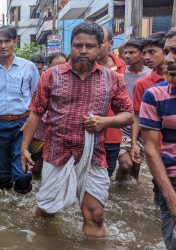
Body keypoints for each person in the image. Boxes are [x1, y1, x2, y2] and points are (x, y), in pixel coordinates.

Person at [21, 22, 133, 236]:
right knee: (46, 212)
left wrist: (105, 122)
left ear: (101, 47)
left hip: (93, 155)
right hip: (56, 153)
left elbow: (128, 114)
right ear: (70, 45)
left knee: (95, 214)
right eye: (77, 45)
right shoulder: (50, 76)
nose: (83, 50)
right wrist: (24, 148)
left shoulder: (113, 79)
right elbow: (35, 112)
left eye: (89, 46)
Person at [0, 25, 40, 193]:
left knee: (21, 174)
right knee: (3, 176)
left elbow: (38, 100)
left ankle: (23, 210)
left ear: (15, 42)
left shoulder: (29, 68)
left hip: (23, 125)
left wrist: (32, 124)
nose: (3, 46)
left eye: (7, 41)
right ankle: (8, 213)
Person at [139, 28, 176, 250]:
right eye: (168, 51)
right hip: (171, 178)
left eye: (175, 52)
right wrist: (170, 195)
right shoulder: (154, 95)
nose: (169, 59)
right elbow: (151, 149)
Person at [131, 32, 167, 204]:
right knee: (160, 194)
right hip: (158, 149)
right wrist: (134, 145)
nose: (146, 57)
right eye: (144, 53)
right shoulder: (143, 84)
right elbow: (137, 116)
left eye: (151, 52)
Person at [115, 39, 151, 181]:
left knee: (136, 165)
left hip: (144, 127)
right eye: (125, 53)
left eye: (132, 52)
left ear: (142, 54)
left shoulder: (150, 75)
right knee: (125, 164)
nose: (127, 56)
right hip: (122, 126)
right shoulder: (119, 75)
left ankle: (131, 192)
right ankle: (119, 190)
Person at [31, 53, 68, 175]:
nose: (61, 69)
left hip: (59, 133)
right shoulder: (39, 80)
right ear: (49, 66)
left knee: (56, 167)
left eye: (64, 65)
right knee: (36, 167)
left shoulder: (73, 83)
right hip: (39, 130)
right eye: (57, 66)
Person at [97, 27, 126, 179]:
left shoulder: (123, 68)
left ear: (110, 43)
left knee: (106, 177)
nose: (95, 47)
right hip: (88, 134)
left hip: (113, 135)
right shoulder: (81, 67)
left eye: (100, 43)